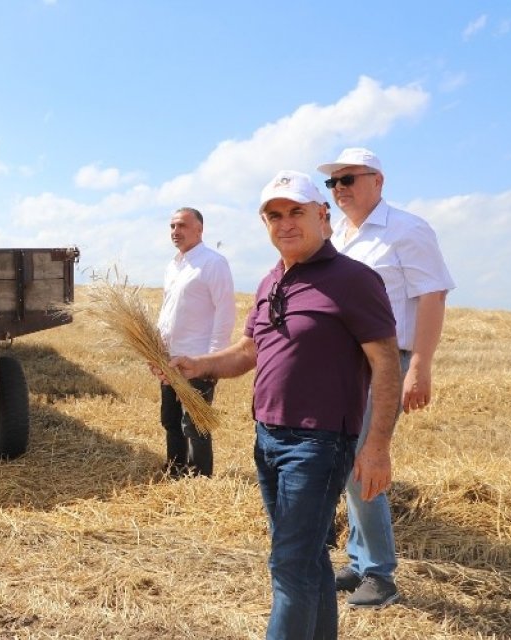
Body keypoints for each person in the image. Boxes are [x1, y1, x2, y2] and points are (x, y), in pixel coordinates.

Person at [165, 170, 400, 639]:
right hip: (268, 436)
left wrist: (376, 447)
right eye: (274, 215)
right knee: (308, 558)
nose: (285, 223)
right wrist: (194, 365)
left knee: (288, 564)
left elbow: (387, 364)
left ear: (322, 215)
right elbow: (248, 352)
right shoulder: (272, 279)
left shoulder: (354, 280)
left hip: (321, 442)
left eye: (296, 212)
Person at [318, 148, 455, 608]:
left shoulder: (408, 229)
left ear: (378, 180)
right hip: (342, 360)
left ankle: (380, 574)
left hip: (385, 360)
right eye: (333, 182)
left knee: (365, 462)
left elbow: (432, 296)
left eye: (348, 179)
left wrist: (420, 363)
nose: (340, 189)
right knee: (347, 461)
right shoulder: (338, 233)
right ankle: (359, 563)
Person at [155, 207, 235, 477]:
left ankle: (200, 477)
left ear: (199, 229)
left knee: (195, 423)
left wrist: (213, 362)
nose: (175, 232)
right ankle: (175, 470)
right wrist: (156, 352)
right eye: (172, 226)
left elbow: (225, 312)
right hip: (170, 358)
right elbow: (167, 310)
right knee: (170, 420)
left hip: (197, 359)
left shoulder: (214, 263)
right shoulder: (172, 265)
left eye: (182, 226)